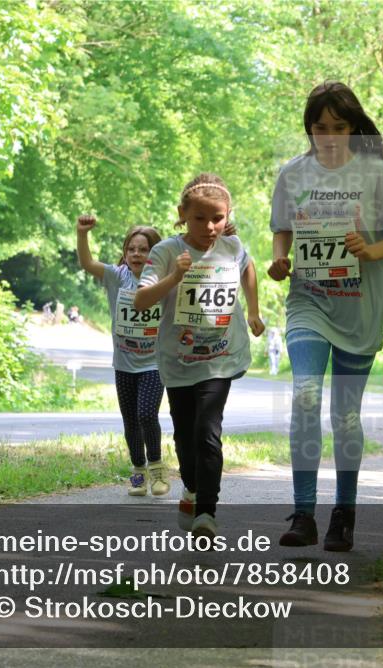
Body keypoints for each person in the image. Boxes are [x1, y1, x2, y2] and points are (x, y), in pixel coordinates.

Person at [268, 81, 383, 551]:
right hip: (308, 301)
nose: (329, 137)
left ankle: (344, 514)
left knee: (346, 416)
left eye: (339, 127)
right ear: (309, 129)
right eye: (319, 128)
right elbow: (282, 229)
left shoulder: (379, 174)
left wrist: (369, 251)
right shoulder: (293, 174)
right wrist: (279, 260)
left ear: (354, 127)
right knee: (306, 396)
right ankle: (303, 512)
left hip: (359, 307)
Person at [134, 173, 264, 540]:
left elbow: (249, 268)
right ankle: (190, 488)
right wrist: (174, 277)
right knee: (184, 435)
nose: (210, 227)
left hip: (220, 357)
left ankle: (207, 511)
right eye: (200, 219)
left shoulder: (233, 246)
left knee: (208, 431)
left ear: (228, 215)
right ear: (182, 215)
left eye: (218, 218)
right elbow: (142, 301)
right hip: (178, 359)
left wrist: (253, 310)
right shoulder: (166, 253)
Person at [76, 217, 169, 497]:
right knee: (130, 422)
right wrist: (82, 234)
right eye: (132, 249)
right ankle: (138, 476)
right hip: (125, 364)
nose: (137, 254)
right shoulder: (118, 276)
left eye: (144, 249)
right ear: (125, 252)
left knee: (146, 415)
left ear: (156, 253)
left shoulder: (163, 279)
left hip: (154, 362)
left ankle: (157, 470)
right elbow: (87, 264)